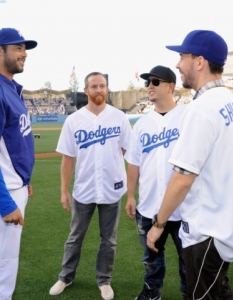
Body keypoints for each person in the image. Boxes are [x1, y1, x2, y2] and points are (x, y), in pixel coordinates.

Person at [147, 30, 233, 300]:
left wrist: (158, 224)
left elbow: (183, 178)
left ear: (199, 61)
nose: (177, 64)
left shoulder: (201, 109)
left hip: (206, 231)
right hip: (224, 223)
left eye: (182, 56)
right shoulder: (228, 100)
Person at [49, 72, 132, 300]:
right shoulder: (73, 120)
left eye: (102, 86)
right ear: (86, 90)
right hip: (83, 190)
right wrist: (64, 190)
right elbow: (67, 157)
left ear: (107, 89)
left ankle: (104, 281)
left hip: (112, 189)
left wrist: (130, 188)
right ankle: (65, 277)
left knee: (109, 239)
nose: (98, 90)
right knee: (75, 236)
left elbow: (128, 152)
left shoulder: (119, 118)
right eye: (94, 86)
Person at [125, 65, 187, 300]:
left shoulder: (187, 117)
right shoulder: (142, 124)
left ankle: (190, 293)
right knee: (151, 258)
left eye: (155, 82)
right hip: (148, 206)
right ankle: (152, 292)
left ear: (171, 86)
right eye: (147, 82)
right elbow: (134, 163)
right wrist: (131, 196)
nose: (149, 86)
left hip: (183, 207)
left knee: (187, 259)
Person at [0, 28, 37, 300]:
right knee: (5, 263)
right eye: (18, 48)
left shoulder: (10, 87)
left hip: (16, 185)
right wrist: (5, 201)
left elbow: (13, 141)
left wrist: (25, 180)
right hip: (6, 193)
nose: (24, 54)